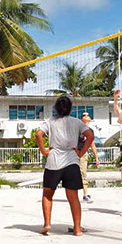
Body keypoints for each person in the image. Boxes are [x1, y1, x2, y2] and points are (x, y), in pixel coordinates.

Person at [36, 96, 94, 236]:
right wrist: (81, 152)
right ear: (70, 109)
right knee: (73, 196)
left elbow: (39, 134)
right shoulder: (76, 122)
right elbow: (90, 136)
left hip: (54, 160)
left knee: (48, 194)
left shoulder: (50, 121)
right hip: (72, 160)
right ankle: (78, 229)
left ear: (56, 108)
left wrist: (44, 150)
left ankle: (47, 224)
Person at [78, 111, 100, 203]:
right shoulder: (77, 129)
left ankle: (85, 195)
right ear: (81, 118)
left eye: (88, 115)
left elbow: (92, 145)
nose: (86, 116)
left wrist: (96, 158)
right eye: (84, 115)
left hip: (83, 154)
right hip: (74, 153)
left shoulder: (91, 131)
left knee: (83, 174)